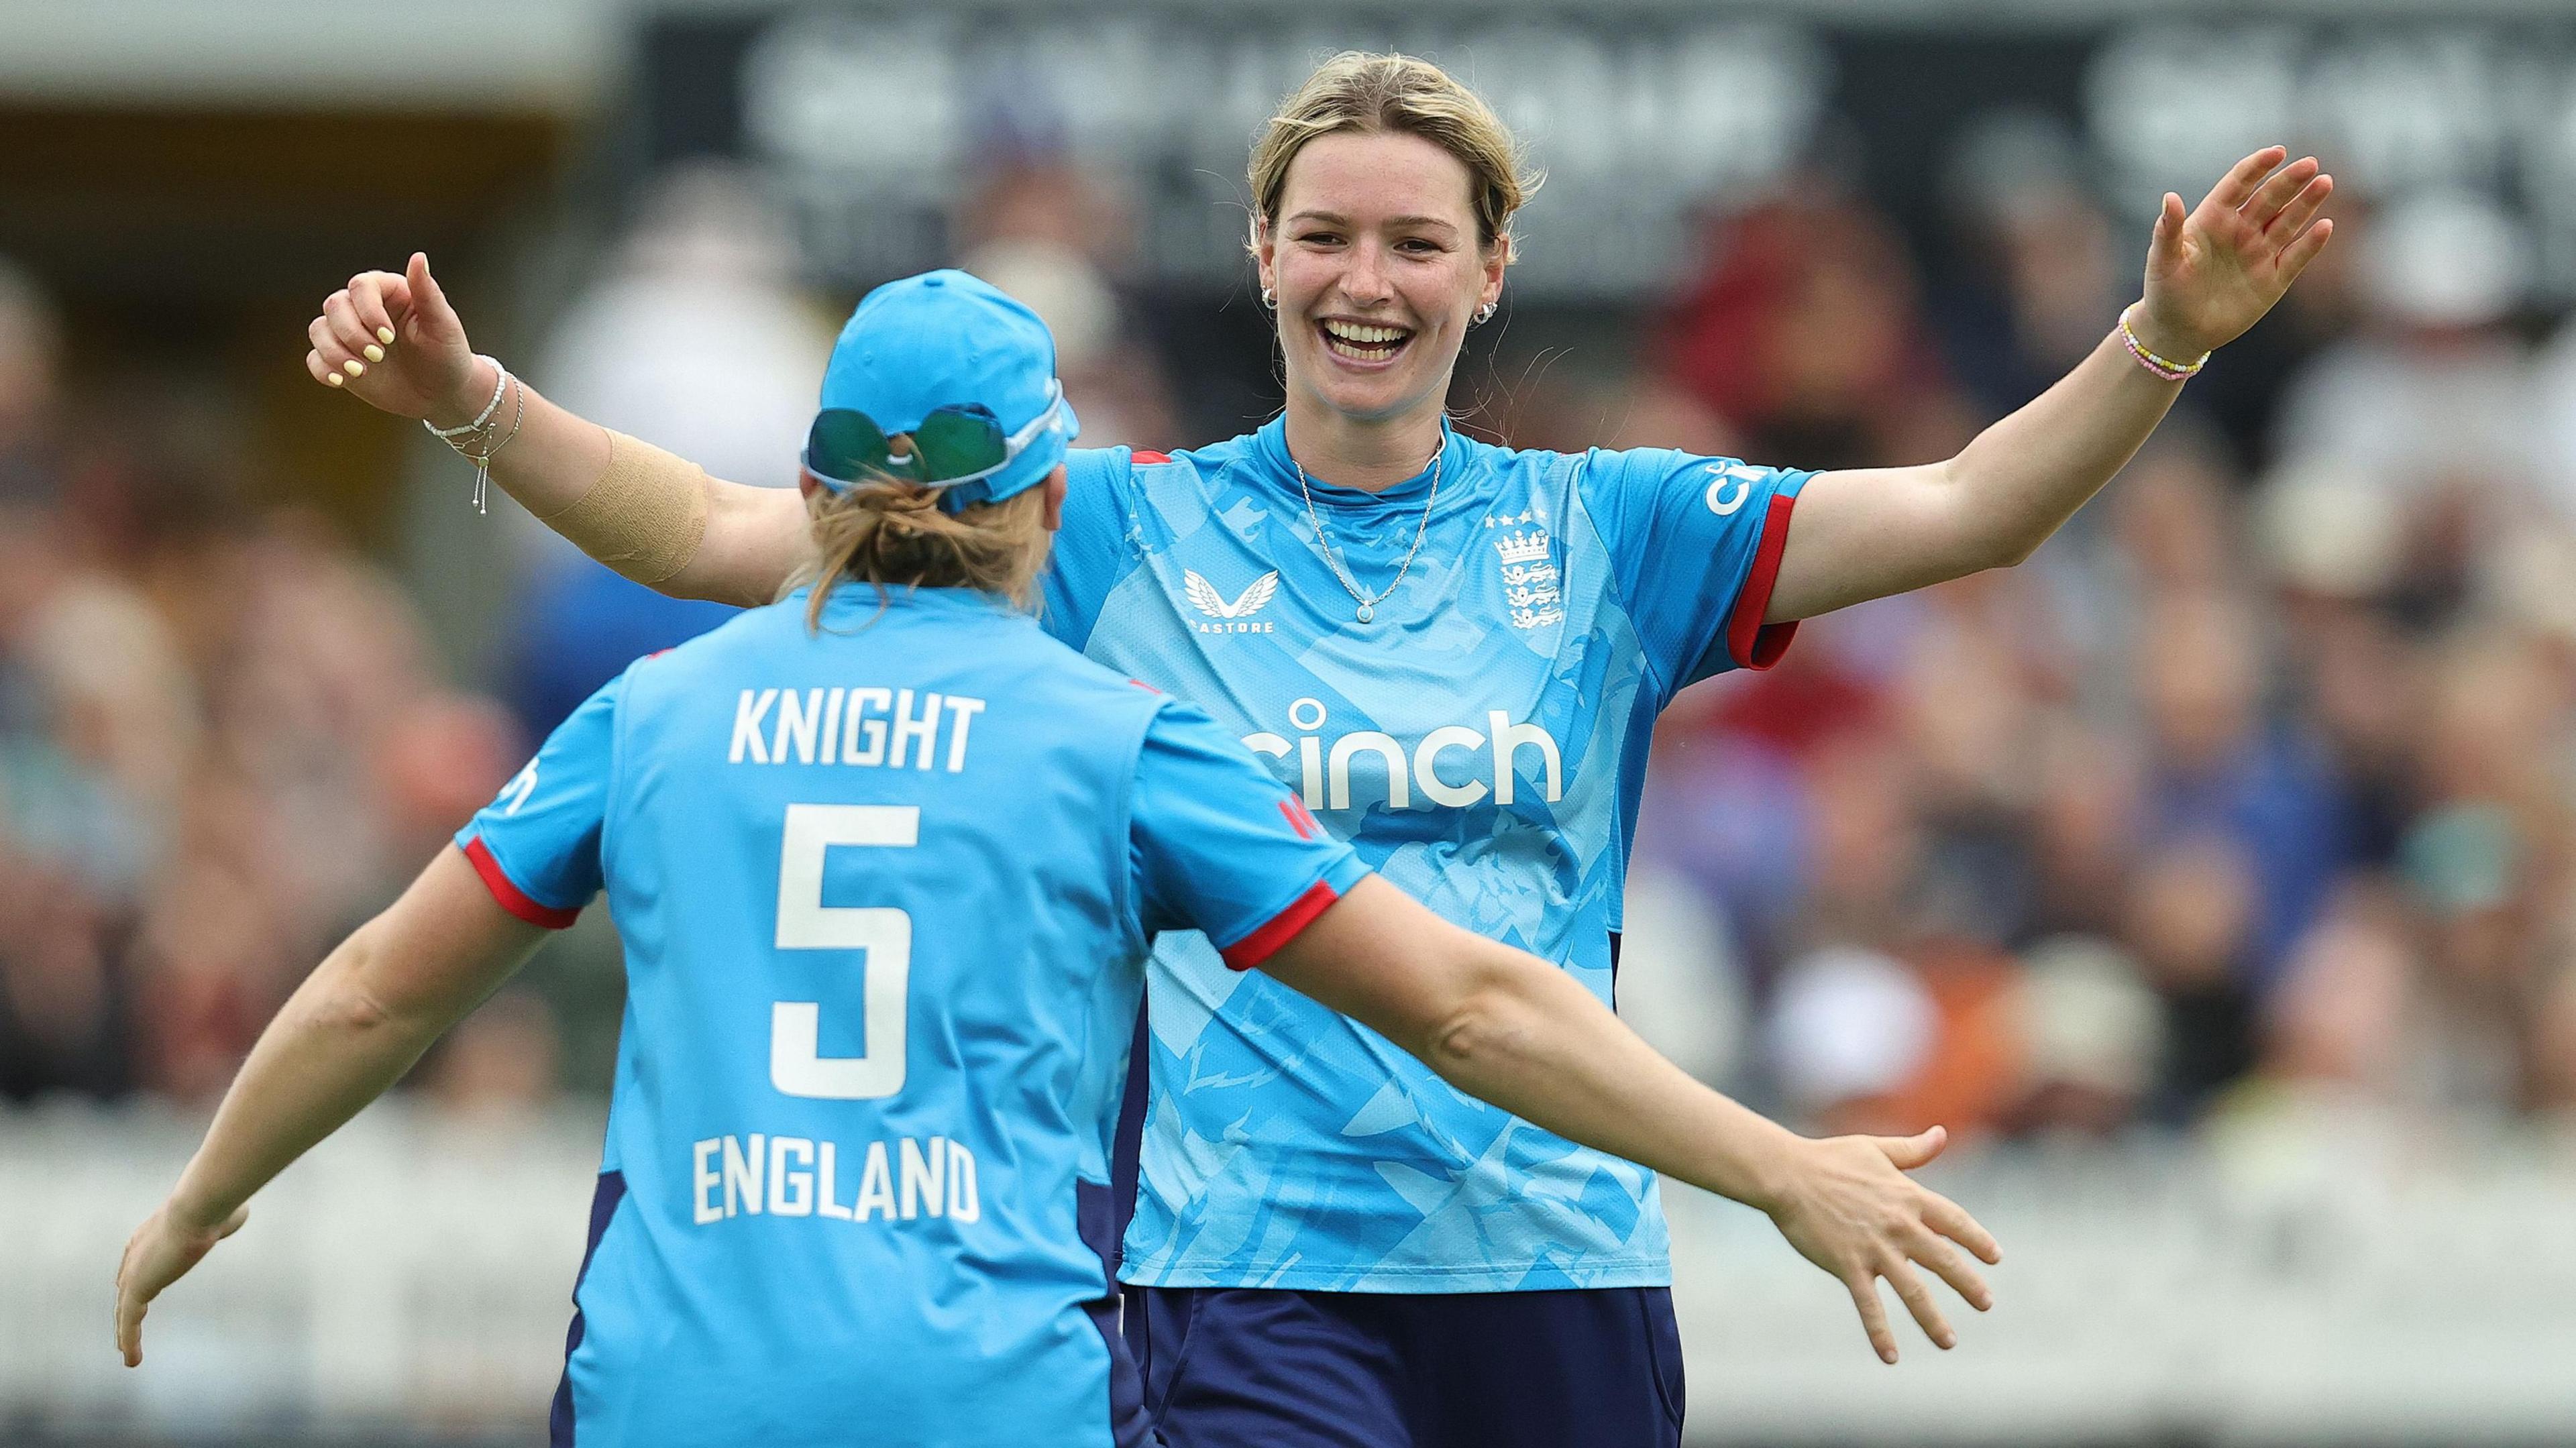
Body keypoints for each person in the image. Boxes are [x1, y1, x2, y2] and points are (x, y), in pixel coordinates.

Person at [297, 51, 2329, 1445]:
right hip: (1235, 1284)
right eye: (1328, 235)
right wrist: (478, 399)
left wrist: (2167, 342)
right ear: (1264, 256)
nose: (1370, 279)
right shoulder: (1107, 523)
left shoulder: (1616, 532)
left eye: (1417, 242)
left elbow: (1976, 504)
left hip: (1558, 1267)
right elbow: (729, 536)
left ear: (1490, 272)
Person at [119, 272, 1996, 1447]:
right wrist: (1774, 1170)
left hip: (670, 1396)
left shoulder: (657, 713)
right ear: (1042, 491)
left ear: (818, 493)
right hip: (989, 1399)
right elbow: (1475, 1007)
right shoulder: (1120, 743)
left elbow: (379, 983)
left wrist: (201, 1197)